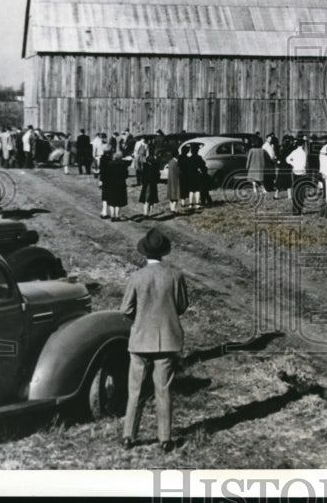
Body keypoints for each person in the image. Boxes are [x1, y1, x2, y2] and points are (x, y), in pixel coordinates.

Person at [121, 229, 189, 453]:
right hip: (167, 339)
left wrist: (140, 318)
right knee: (164, 390)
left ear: (144, 252)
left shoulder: (137, 277)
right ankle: (165, 438)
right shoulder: (176, 275)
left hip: (140, 339)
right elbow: (181, 307)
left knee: (136, 390)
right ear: (163, 252)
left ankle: (129, 436)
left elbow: (126, 309)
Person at [101, 146, 128, 221]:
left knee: (112, 200)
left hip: (111, 184)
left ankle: (112, 215)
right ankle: (117, 215)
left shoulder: (110, 164)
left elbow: (106, 174)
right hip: (120, 184)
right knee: (118, 201)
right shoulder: (123, 165)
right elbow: (126, 175)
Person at [286, 137, 310, 215]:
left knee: (295, 191)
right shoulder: (303, 153)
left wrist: (293, 164)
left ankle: (295, 210)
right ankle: (300, 209)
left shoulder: (294, 152)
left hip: (295, 172)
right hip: (302, 173)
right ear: (303, 145)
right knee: (301, 192)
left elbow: (287, 159)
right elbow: (304, 164)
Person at [138, 153, 160, 219]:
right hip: (153, 185)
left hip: (146, 185)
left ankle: (145, 213)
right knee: (152, 201)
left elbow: (142, 176)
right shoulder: (156, 167)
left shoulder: (145, 166)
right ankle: (150, 214)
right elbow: (158, 176)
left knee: (146, 200)